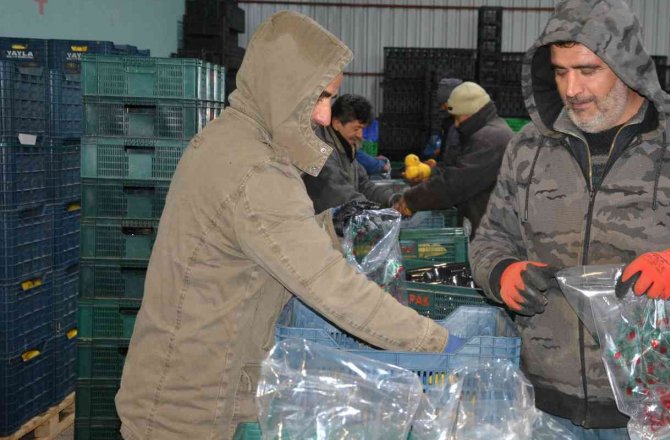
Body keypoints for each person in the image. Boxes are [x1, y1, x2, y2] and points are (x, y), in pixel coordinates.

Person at [115, 12, 458, 440]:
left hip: (194, 384)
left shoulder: (242, 139)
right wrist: (433, 342)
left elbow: (314, 248)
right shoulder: (255, 170)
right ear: (280, 84)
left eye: (331, 98)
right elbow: (324, 281)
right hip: (191, 405)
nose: (322, 114)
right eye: (316, 96)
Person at [468, 0, 670, 437]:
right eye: (560, 71)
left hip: (662, 408)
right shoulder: (531, 147)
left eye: (587, 70)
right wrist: (501, 273)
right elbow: (490, 241)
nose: (572, 89)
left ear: (626, 64)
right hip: (548, 406)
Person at [395, 81, 514, 236]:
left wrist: (412, 200)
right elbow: (455, 167)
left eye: (458, 118)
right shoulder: (487, 131)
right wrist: (431, 172)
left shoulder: (490, 139)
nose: (456, 125)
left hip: (495, 233)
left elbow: (456, 183)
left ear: (471, 112)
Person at [304, 93, 399, 214]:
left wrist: (392, 199)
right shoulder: (321, 152)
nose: (360, 135)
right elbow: (339, 192)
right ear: (337, 123)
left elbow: (363, 185)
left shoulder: (347, 148)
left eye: (362, 128)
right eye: (356, 128)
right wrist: (370, 213)